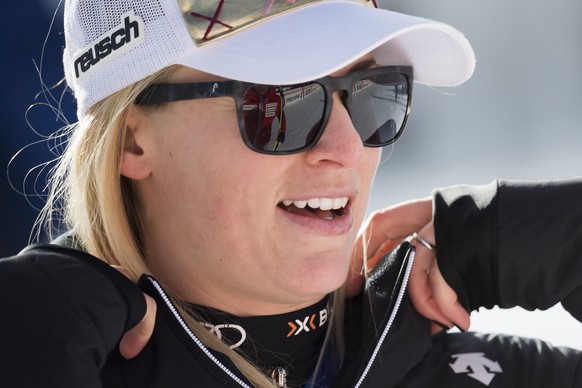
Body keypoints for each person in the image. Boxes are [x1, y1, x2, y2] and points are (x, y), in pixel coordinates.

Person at [0, 1, 580, 388]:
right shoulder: (54, 353)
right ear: (132, 139)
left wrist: (564, 239)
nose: (347, 148)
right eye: (280, 102)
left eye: (374, 93)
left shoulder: (452, 367)